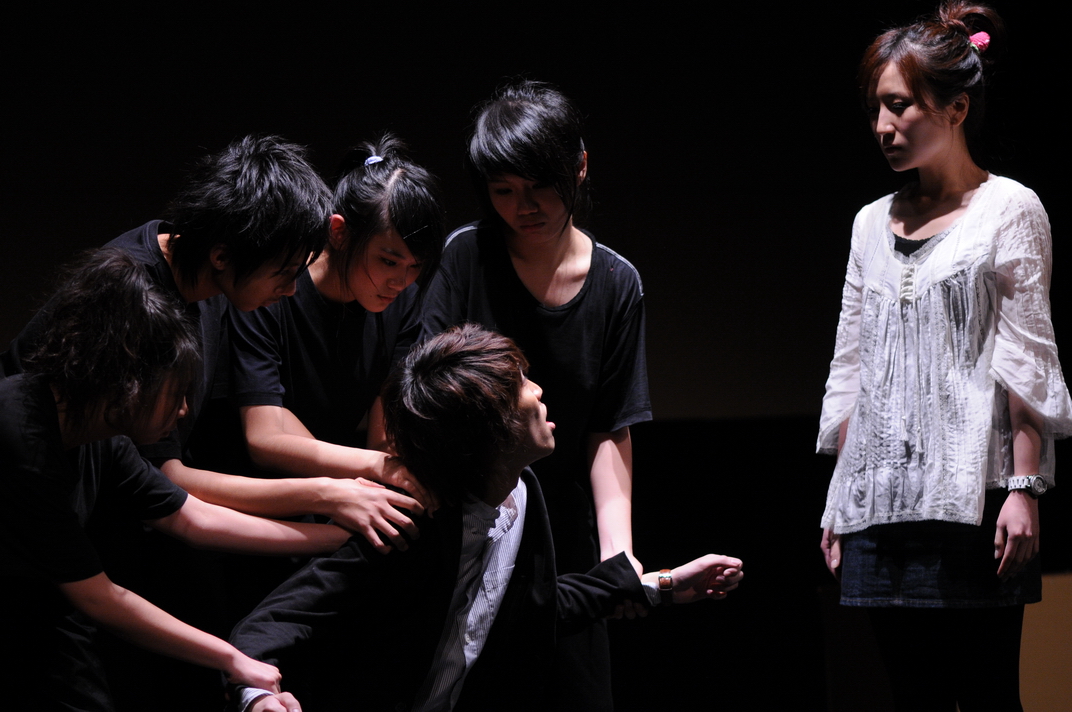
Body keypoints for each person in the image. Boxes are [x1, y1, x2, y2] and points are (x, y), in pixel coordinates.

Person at [230, 325, 742, 712]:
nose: (538, 392)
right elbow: (278, 617)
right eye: (520, 384)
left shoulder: (523, 493)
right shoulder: (414, 521)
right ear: (488, 430)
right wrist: (258, 695)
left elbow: (536, 607)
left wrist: (661, 586)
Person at [817, 4, 1072, 710]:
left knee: (988, 696)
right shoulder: (870, 223)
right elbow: (852, 362)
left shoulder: (1009, 208)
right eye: (876, 108)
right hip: (881, 505)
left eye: (899, 105)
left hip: (975, 502)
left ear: (955, 109)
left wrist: (1023, 490)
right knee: (911, 698)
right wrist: (840, 497)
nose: (882, 126)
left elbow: (1026, 355)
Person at [1, 134, 417, 541]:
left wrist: (346, 488)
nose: (292, 290)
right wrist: (327, 494)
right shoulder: (138, 301)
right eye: (284, 273)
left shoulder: (205, 279)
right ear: (222, 256)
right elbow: (167, 482)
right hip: (41, 500)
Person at [0, 250, 351, 711]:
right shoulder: (21, 435)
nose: (184, 410)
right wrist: (232, 658)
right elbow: (100, 597)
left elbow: (189, 517)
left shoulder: (97, 432)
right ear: (127, 382)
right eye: (175, 393)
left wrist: (339, 538)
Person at [419, 80, 650, 705]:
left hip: (564, 532)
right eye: (503, 190)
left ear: (580, 166)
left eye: (540, 185)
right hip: (471, 521)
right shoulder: (465, 257)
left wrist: (618, 556)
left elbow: (610, 428)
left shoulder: (616, 284)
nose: (524, 206)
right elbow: (425, 395)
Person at [228, 134, 444, 550]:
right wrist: (377, 470)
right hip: (256, 501)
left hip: (343, 491)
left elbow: (385, 434)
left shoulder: (403, 302)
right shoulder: (273, 288)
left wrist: (382, 479)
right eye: (388, 261)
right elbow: (263, 436)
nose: (400, 281)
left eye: (415, 266)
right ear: (339, 232)